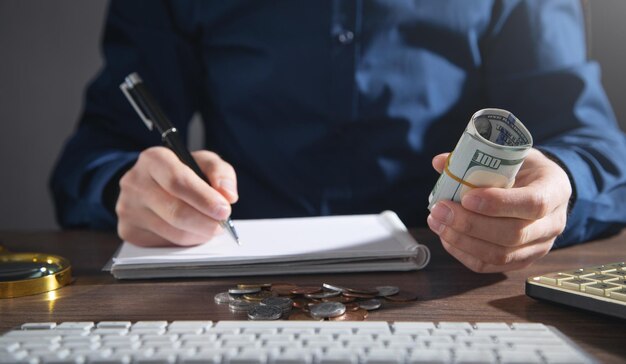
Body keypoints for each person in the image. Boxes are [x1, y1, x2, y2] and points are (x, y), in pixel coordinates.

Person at [51, 0, 626, 273]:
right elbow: (98, 153)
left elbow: (594, 145)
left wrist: (560, 191)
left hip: (453, 278)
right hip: (236, 287)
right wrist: (128, 188)